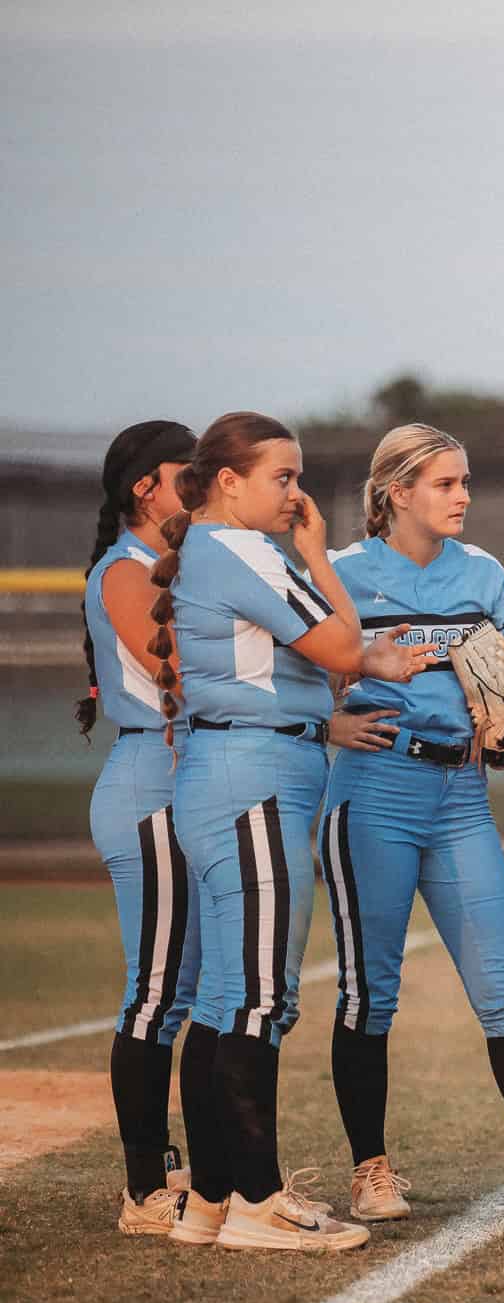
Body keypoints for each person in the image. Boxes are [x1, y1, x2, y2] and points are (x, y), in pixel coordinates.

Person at [147, 411, 434, 1252]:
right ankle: (259, 1200)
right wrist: (317, 555)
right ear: (227, 480)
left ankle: (208, 1199)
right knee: (258, 997)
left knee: (224, 998)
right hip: (254, 781)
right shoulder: (239, 550)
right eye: (283, 476)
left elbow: (336, 653)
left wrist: (369, 658)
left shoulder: (218, 551)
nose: (296, 492)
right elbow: (342, 645)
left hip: (236, 772)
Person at [319, 423, 504, 1229]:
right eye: (445, 483)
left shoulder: (481, 574)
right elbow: (287, 671)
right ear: (395, 492)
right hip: (372, 789)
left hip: (462, 796)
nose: (464, 496)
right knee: (369, 992)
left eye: (466, 481)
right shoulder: (341, 574)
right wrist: (326, 724)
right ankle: (369, 1168)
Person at [78, 420, 212, 1235]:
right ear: (143, 486)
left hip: (186, 778)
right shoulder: (124, 570)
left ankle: (171, 1165)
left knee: (187, 989)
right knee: (157, 992)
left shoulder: (184, 563)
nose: (196, 485)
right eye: (183, 472)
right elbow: (175, 667)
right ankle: (142, 1186)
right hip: (148, 784)